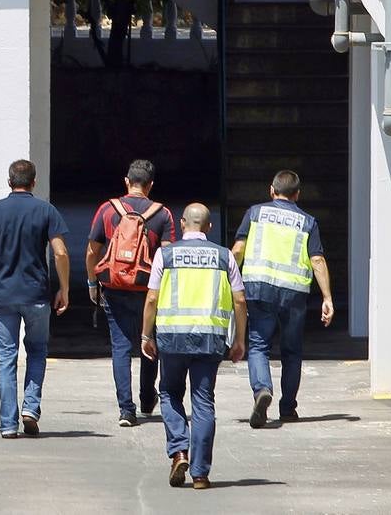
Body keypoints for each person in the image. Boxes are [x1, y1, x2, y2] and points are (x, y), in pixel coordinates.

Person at [141, 203, 246, 490]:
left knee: (169, 392)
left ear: (182, 224)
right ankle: (200, 473)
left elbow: (151, 298)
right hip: (210, 339)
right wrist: (239, 340)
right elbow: (239, 301)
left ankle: (179, 451)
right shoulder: (225, 257)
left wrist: (145, 335)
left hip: (173, 337)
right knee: (203, 401)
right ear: (209, 227)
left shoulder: (166, 254)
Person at [0, 159, 70, 439]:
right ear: (34, 182)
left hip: (3, 296)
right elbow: (60, 253)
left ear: (9, 181)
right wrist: (64, 288)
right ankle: (31, 408)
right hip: (37, 295)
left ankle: (8, 424)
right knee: (37, 351)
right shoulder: (45, 211)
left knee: (6, 358)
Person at [231, 169, 334, 428]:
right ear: (297, 194)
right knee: (291, 351)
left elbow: (239, 249)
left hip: (259, 288)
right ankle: (287, 408)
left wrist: (227, 283)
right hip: (294, 293)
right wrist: (327, 297)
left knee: (258, 345)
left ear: (271, 190)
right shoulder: (308, 221)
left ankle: (262, 390)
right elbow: (317, 260)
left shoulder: (254, 213)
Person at [84, 158, 178, 426]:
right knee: (148, 340)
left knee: (120, 347)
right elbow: (168, 255)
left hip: (114, 287)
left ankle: (127, 409)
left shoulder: (107, 209)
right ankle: (148, 399)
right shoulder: (162, 214)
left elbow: (92, 251)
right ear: (150, 185)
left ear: (127, 182)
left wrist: (93, 283)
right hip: (148, 288)